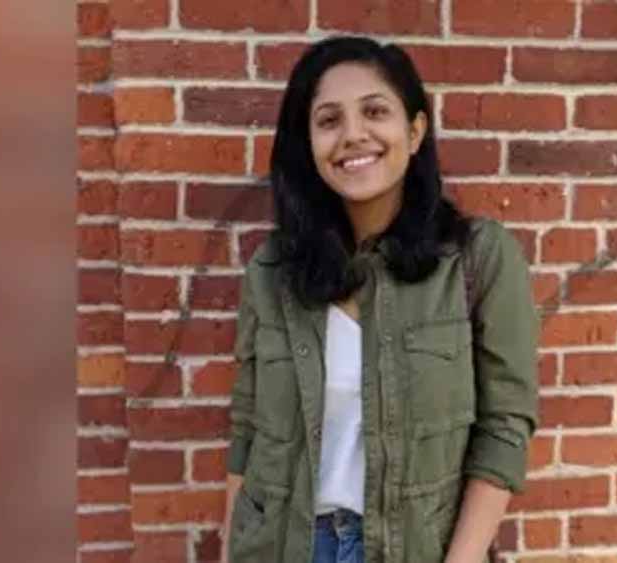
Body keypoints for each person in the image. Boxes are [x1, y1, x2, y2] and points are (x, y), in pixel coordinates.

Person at [220, 35, 538, 563]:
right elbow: (247, 431)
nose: (353, 134)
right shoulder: (273, 270)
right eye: (329, 120)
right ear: (309, 145)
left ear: (414, 131)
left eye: (374, 111)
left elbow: (504, 428)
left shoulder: (478, 258)